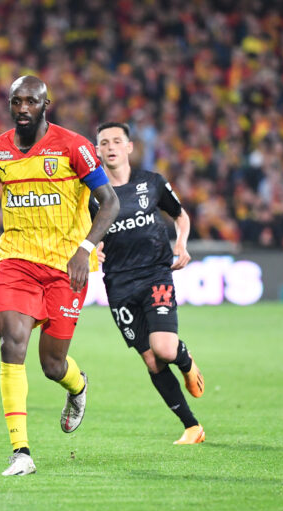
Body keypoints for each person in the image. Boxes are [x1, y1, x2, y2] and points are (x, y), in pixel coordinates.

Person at [0, 76, 119, 476]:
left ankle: (77, 386)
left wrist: (85, 249)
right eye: (16, 101)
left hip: (65, 267)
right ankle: (21, 451)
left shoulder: (74, 147)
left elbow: (109, 202)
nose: (22, 108)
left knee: (52, 365)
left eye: (30, 102)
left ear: (45, 104)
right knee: (11, 343)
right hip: (17, 262)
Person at [92, 122, 205, 444]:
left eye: (117, 141)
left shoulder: (151, 182)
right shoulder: (92, 195)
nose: (111, 146)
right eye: (104, 142)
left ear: (129, 147)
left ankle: (184, 359)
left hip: (154, 273)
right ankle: (192, 426)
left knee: (164, 349)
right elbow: (85, 234)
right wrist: (92, 250)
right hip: (118, 284)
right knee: (151, 360)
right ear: (97, 151)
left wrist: (181, 243)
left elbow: (180, 214)